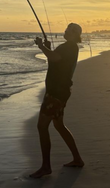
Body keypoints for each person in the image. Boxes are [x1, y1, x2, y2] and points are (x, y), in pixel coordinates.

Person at [29, 23, 84, 179]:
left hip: (56, 93)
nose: (65, 31)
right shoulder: (69, 47)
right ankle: (77, 159)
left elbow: (55, 57)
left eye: (68, 30)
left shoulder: (70, 47)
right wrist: (47, 48)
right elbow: (56, 60)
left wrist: (41, 46)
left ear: (74, 33)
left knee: (42, 126)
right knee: (59, 125)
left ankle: (46, 167)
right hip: (60, 92)